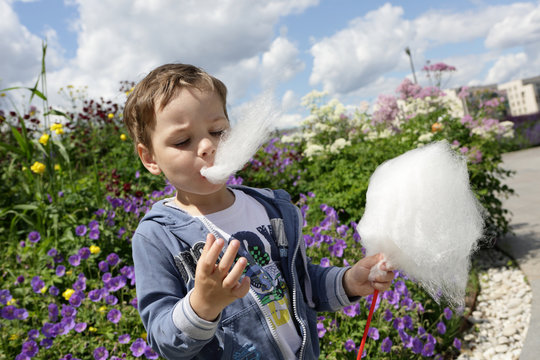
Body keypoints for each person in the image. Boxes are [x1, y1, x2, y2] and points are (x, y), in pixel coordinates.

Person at [123, 63, 394, 359]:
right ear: (149, 158)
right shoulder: (157, 236)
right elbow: (163, 341)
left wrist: (349, 280)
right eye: (182, 141)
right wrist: (203, 303)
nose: (207, 146)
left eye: (217, 131)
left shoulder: (272, 209)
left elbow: (304, 287)